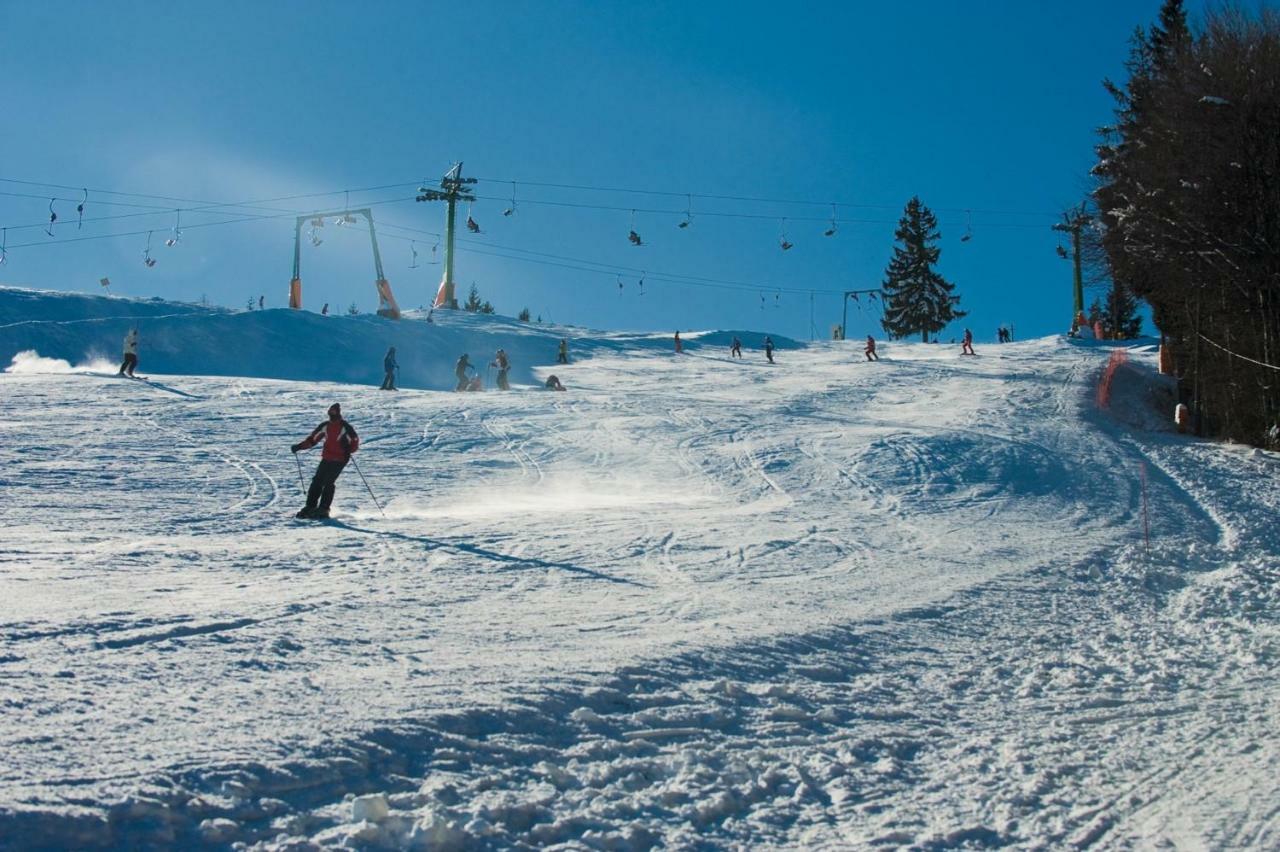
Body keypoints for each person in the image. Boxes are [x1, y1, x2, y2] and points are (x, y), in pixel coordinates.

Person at [291, 403, 359, 519]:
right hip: (327, 457)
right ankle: (310, 507)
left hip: (340, 459)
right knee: (317, 481)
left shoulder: (345, 427)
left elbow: (355, 441)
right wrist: (299, 446)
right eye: (330, 412)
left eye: (334, 412)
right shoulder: (325, 426)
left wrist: (348, 449)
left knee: (328, 482)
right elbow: (313, 440)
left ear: (338, 413)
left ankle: (324, 509)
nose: (332, 414)